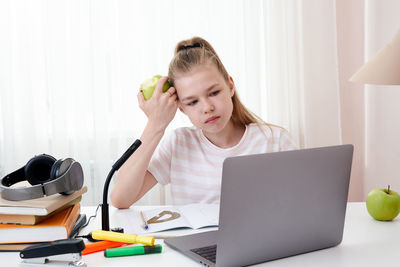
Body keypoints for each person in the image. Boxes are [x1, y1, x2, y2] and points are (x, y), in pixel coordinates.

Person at [110, 37, 297, 208]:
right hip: (196, 244)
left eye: (214, 93)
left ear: (230, 86)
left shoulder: (274, 140)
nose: (207, 107)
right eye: (192, 102)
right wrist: (155, 124)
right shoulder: (178, 143)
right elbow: (120, 199)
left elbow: (299, 203)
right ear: (181, 107)